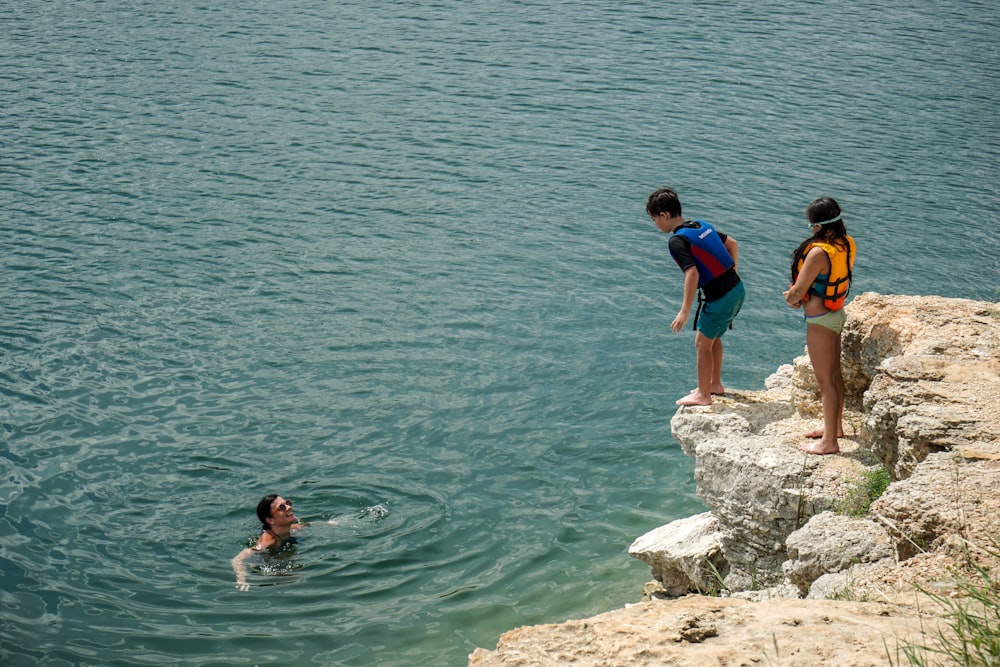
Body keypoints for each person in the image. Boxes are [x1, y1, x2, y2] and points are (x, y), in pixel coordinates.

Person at [647, 187, 745, 406]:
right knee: (714, 336)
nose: (656, 225)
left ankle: (703, 395)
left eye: (654, 219)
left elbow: (692, 273)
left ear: (664, 215)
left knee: (702, 343)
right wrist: (732, 272)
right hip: (737, 289)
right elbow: (732, 243)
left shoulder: (677, 241)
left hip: (720, 297)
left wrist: (684, 311)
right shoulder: (700, 225)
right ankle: (714, 384)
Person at [783, 197, 856, 455]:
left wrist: (792, 298)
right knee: (835, 377)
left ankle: (829, 443)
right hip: (835, 315)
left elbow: (800, 289)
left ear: (817, 225)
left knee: (826, 382)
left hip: (819, 321)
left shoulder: (818, 252)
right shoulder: (845, 243)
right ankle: (834, 428)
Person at [232, 494, 307, 591]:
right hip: (266, 570)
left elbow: (308, 525)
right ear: (270, 520)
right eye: (282, 507)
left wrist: (330, 523)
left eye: (287, 503)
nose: (289, 507)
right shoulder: (269, 538)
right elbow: (237, 559)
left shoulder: (293, 528)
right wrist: (241, 578)